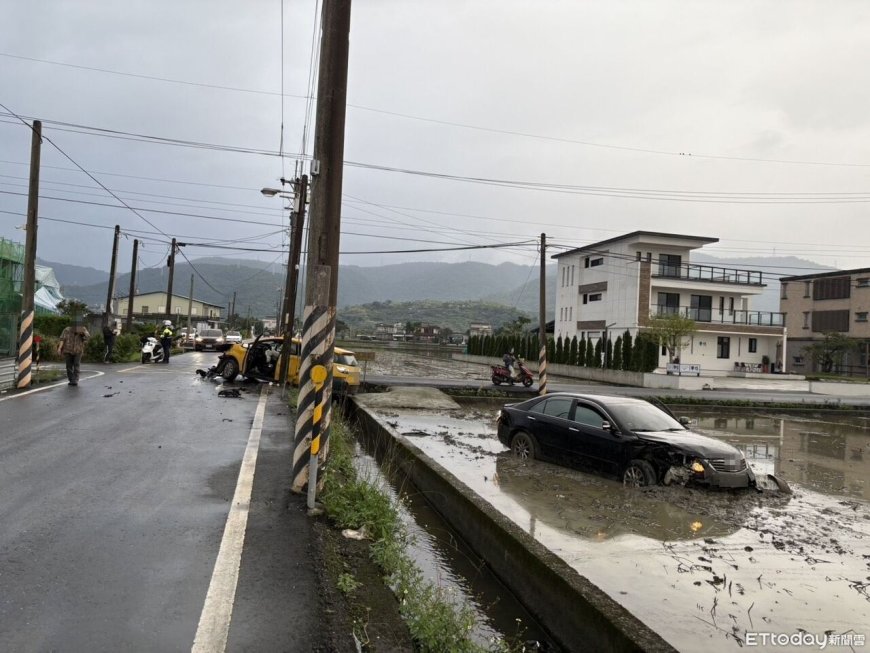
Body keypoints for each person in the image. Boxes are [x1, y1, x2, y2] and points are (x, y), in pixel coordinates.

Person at [57, 317, 90, 386]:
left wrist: (82, 333)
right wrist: (59, 348)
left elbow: (88, 337)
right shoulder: (67, 329)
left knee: (76, 364)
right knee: (68, 366)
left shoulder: (83, 329)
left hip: (78, 350)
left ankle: (75, 380)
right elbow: (62, 339)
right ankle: (71, 379)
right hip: (68, 350)